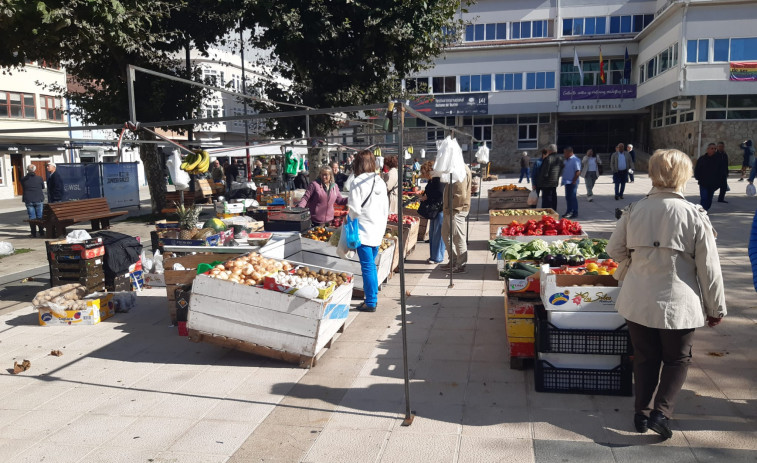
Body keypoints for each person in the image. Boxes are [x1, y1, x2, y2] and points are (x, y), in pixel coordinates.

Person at [606, 148, 726, 440]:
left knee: (645, 356)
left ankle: (641, 413)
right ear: (685, 175)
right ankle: (662, 412)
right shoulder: (695, 215)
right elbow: (709, 268)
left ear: (653, 174)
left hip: (638, 299)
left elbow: (613, 250)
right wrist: (715, 308)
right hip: (679, 301)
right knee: (677, 359)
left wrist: (639, 259)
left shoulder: (634, 210)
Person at [348, 150, 389, 312]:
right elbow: (385, 207)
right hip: (377, 229)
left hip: (363, 230)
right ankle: (370, 298)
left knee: (368, 267)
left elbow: (353, 209)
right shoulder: (379, 181)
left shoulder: (357, 182)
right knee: (370, 265)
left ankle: (371, 301)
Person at [441, 164, 472, 274]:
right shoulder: (455, 167)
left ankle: (461, 264)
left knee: (458, 237)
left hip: (456, 210)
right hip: (449, 209)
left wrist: (453, 208)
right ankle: (453, 260)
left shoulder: (460, 169)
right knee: (445, 234)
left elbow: (460, 193)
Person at [419, 161, 446, 264]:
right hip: (435, 210)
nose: (424, 175)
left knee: (438, 233)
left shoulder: (438, 179)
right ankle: (433, 256)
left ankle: (438, 257)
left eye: (424, 173)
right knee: (433, 233)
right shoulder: (433, 179)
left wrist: (427, 197)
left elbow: (439, 193)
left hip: (439, 209)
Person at [694, 143, 723, 211]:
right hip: (703, 182)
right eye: (712, 148)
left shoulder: (718, 159)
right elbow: (697, 169)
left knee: (709, 198)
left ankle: (706, 208)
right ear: (708, 149)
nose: (713, 150)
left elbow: (721, 170)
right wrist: (697, 177)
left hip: (713, 183)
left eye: (715, 149)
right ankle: (702, 210)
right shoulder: (702, 159)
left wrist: (719, 180)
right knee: (704, 197)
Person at [21, 165, 45, 237]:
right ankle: (41, 231)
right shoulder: (39, 178)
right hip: (38, 198)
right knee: (40, 216)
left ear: (27, 170)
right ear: (35, 170)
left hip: (28, 199)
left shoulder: (23, 179)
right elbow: (43, 187)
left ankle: (33, 233)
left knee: (32, 217)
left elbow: (23, 187)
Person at [537, 144, 563, 211]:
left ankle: (547, 212)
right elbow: (561, 170)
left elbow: (544, 172)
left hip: (547, 182)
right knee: (554, 197)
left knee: (547, 198)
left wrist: (540, 182)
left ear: (550, 150)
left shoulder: (548, 159)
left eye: (548, 150)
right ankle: (554, 210)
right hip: (555, 181)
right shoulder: (560, 158)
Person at [561, 147, 581, 218]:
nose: (564, 154)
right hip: (566, 182)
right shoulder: (566, 161)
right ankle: (568, 211)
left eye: (565, 152)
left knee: (572, 197)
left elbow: (578, 171)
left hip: (572, 182)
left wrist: (574, 180)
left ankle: (575, 212)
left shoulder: (575, 160)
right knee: (568, 197)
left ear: (569, 152)